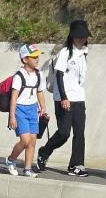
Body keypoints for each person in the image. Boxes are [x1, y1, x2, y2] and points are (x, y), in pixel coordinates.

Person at [37, 21, 90, 176]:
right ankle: (45, 151)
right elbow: (59, 75)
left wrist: (78, 98)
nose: (82, 39)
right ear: (72, 36)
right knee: (64, 133)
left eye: (84, 37)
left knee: (80, 133)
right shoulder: (65, 52)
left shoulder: (83, 53)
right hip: (64, 98)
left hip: (79, 98)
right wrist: (64, 98)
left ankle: (76, 165)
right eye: (79, 37)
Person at [4, 44, 46, 176]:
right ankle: (11, 160)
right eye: (33, 57)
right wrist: (12, 116)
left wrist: (43, 107)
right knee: (25, 140)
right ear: (25, 59)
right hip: (20, 110)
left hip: (33, 109)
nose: (37, 59)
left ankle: (27, 168)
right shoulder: (19, 76)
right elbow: (14, 97)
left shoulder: (39, 75)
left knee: (33, 140)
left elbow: (39, 92)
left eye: (37, 56)